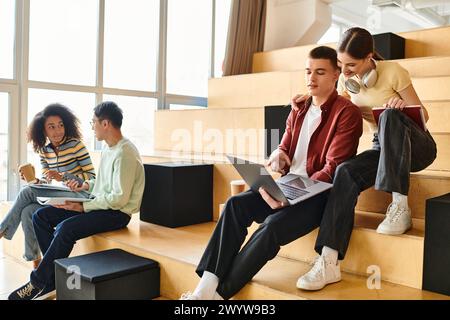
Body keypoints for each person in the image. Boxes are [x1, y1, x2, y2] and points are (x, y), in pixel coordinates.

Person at [180, 46, 363, 300]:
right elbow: (284, 146)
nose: (311, 78)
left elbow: (332, 169)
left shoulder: (347, 113)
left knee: (270, 228)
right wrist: (278, 155)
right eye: (308, 71)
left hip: (319, 196)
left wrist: (295, 193)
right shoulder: (298, 109)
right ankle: (204, 289)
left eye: (320, 72)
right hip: (288, 185)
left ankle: (220, 296)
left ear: (336, 75)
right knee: (235, 205)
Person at [293, 27, 437, 291]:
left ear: (369, 57)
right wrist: (310, 98)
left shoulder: (393, 72)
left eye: (351, 65)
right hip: (382, 148)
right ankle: (329, 260)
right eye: (340, 64)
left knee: (390, 116)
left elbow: (425, 116)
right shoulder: (350, 84)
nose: (345, 71)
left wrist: (401, 108)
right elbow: (331, 100)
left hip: (417, 145)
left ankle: (400, 207)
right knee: (345, 171)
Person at [8, 101, 145, 300]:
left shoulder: (125, 153)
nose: (92, 127)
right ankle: (53, 281)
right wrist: (85, 187)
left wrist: (82, 207)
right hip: (99, 203)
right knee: (41, 216)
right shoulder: (109, 149)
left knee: (65, 229)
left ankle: (37, 282)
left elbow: (118, 199)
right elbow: (102, 183)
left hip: (117, 213)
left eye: (94, 122)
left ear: (105, 124)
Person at [0, 103, 95, 269]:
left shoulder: (76, 145)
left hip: (79, 196)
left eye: (60, 125)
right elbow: (47, 182)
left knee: (26, 192)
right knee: (27, 211)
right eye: (52, 127)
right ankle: (36, 267)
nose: (58, 131)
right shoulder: (44, 151)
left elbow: (92, 178)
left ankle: (2, 230)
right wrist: (35, 182)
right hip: (56, 195)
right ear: (43, 131)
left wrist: (64, 176)